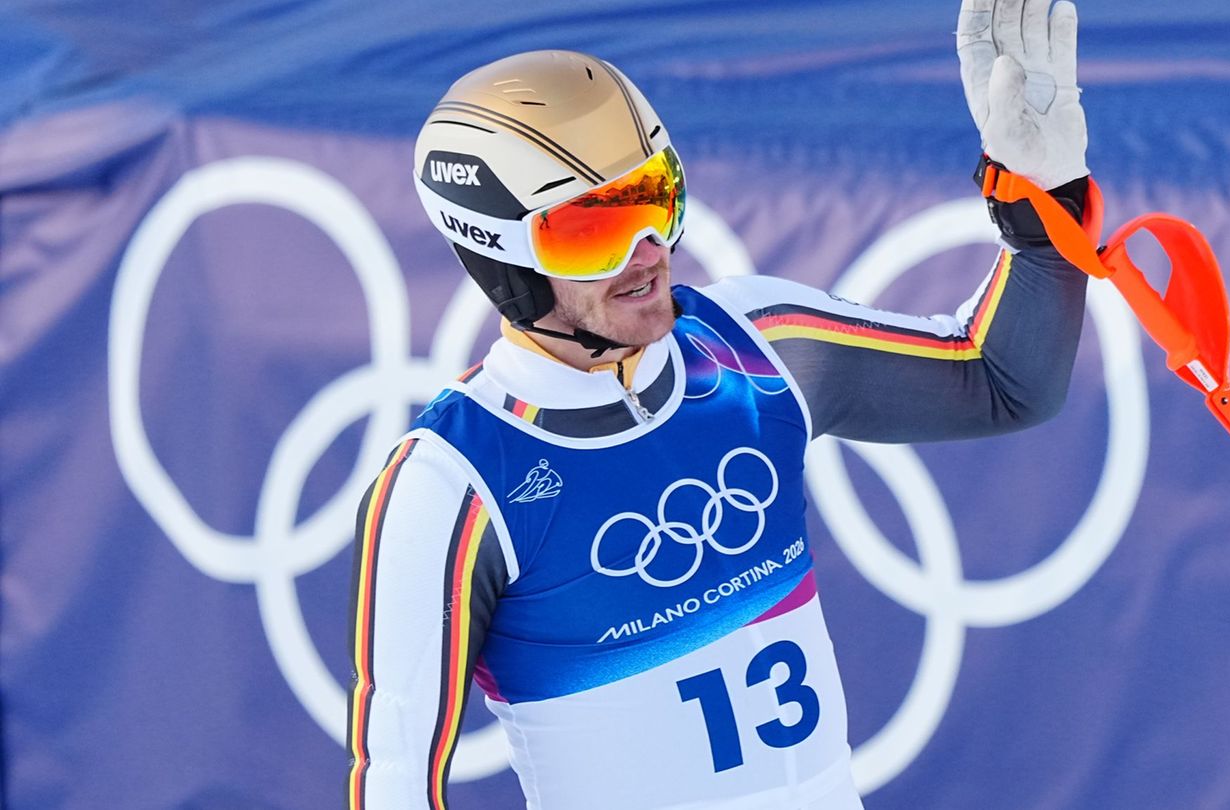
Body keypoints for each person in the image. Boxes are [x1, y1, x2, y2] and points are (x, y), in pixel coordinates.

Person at [347, 0, 1091, 807]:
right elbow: (396, 785)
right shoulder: (450, 485)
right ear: (502, 259)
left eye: (655, 197)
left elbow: (1005, 382)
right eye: (591, 231)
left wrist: (1040, 202)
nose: (648, 252)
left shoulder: (755, 344)